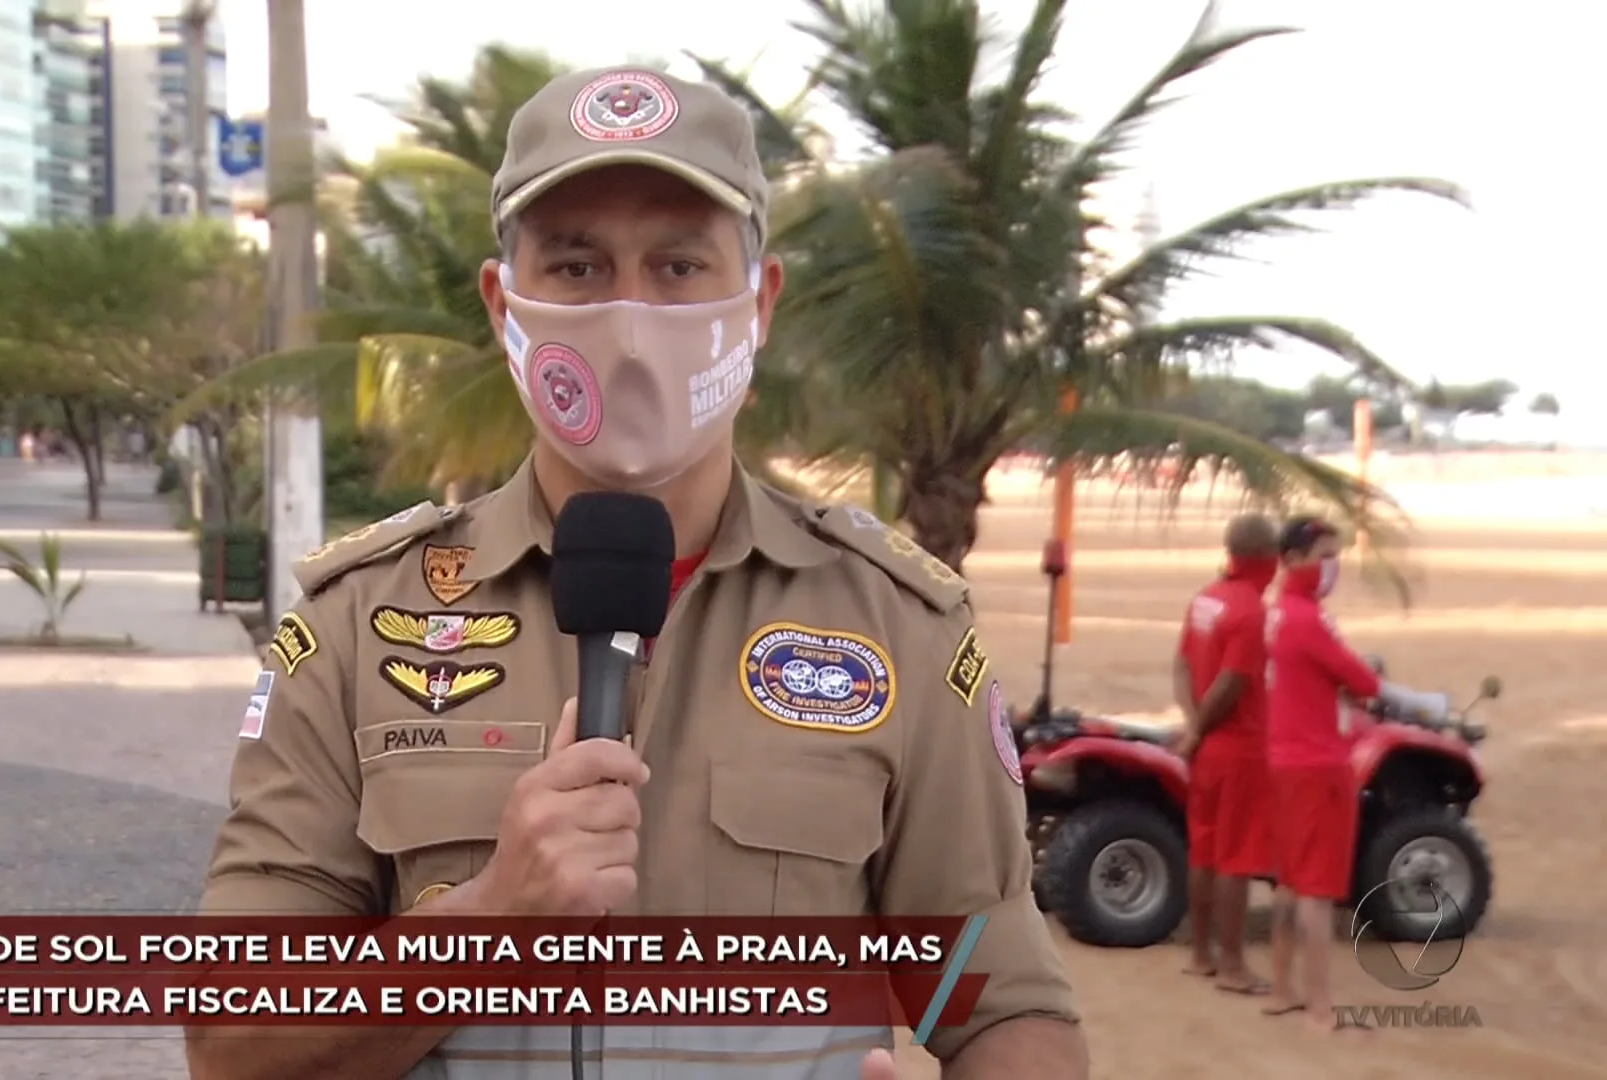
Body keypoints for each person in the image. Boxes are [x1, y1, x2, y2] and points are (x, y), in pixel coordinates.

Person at [187, 67, 1087, 1080]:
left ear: (759, 303)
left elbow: (1005, 1005)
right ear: (502, 304)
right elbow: (232, 1042)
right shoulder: (358, 625)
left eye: (677, 266)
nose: (627, 315)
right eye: (575, 268)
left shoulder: (900, 628)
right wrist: (490, 923)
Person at [1261, 516, 1404, 1032]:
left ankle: (1283, 988)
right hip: (1316, 763)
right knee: (1316, 890)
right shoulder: (1307, 620)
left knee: (1288, 880)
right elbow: (1363, 680)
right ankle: (1321, 1007)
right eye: (1323, 554)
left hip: (1282, 760)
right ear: (1293, 558)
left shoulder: (1278, 614)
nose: (1331, 566)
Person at [1172, 513, 1276, 996]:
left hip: (1208, 745)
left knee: (1204, 849)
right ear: (1268, 560)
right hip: (1238, 745)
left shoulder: (1205, 599)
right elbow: (1233, 682)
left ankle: (1201, 954)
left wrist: (1193, 725)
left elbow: (1182, 664)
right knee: (1236, 856)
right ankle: (1233, 964)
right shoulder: (1250, 611)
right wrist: (1202, 726)